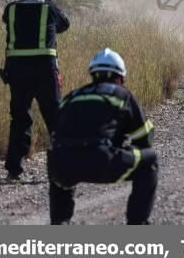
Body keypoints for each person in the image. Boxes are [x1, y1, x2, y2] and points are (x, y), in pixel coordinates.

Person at [47, 48, 158, 225]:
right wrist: (123, 145)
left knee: (59, 163)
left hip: (63, 166)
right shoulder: (122, 95)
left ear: (93, 74)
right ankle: (138, 224)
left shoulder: (71, 96)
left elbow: (55, 135)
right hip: (102, 161)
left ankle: (60, 223)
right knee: (149, 162)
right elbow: (144, 138)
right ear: (120, 77)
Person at [2, 0, 70, 180]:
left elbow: (9, 21)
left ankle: (14, 169)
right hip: (44, 71)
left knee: (20, 118)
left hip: (17, 72)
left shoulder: (10, 9)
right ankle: (62, 167)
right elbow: (64, 24)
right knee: (54, 117)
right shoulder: (49, 9)